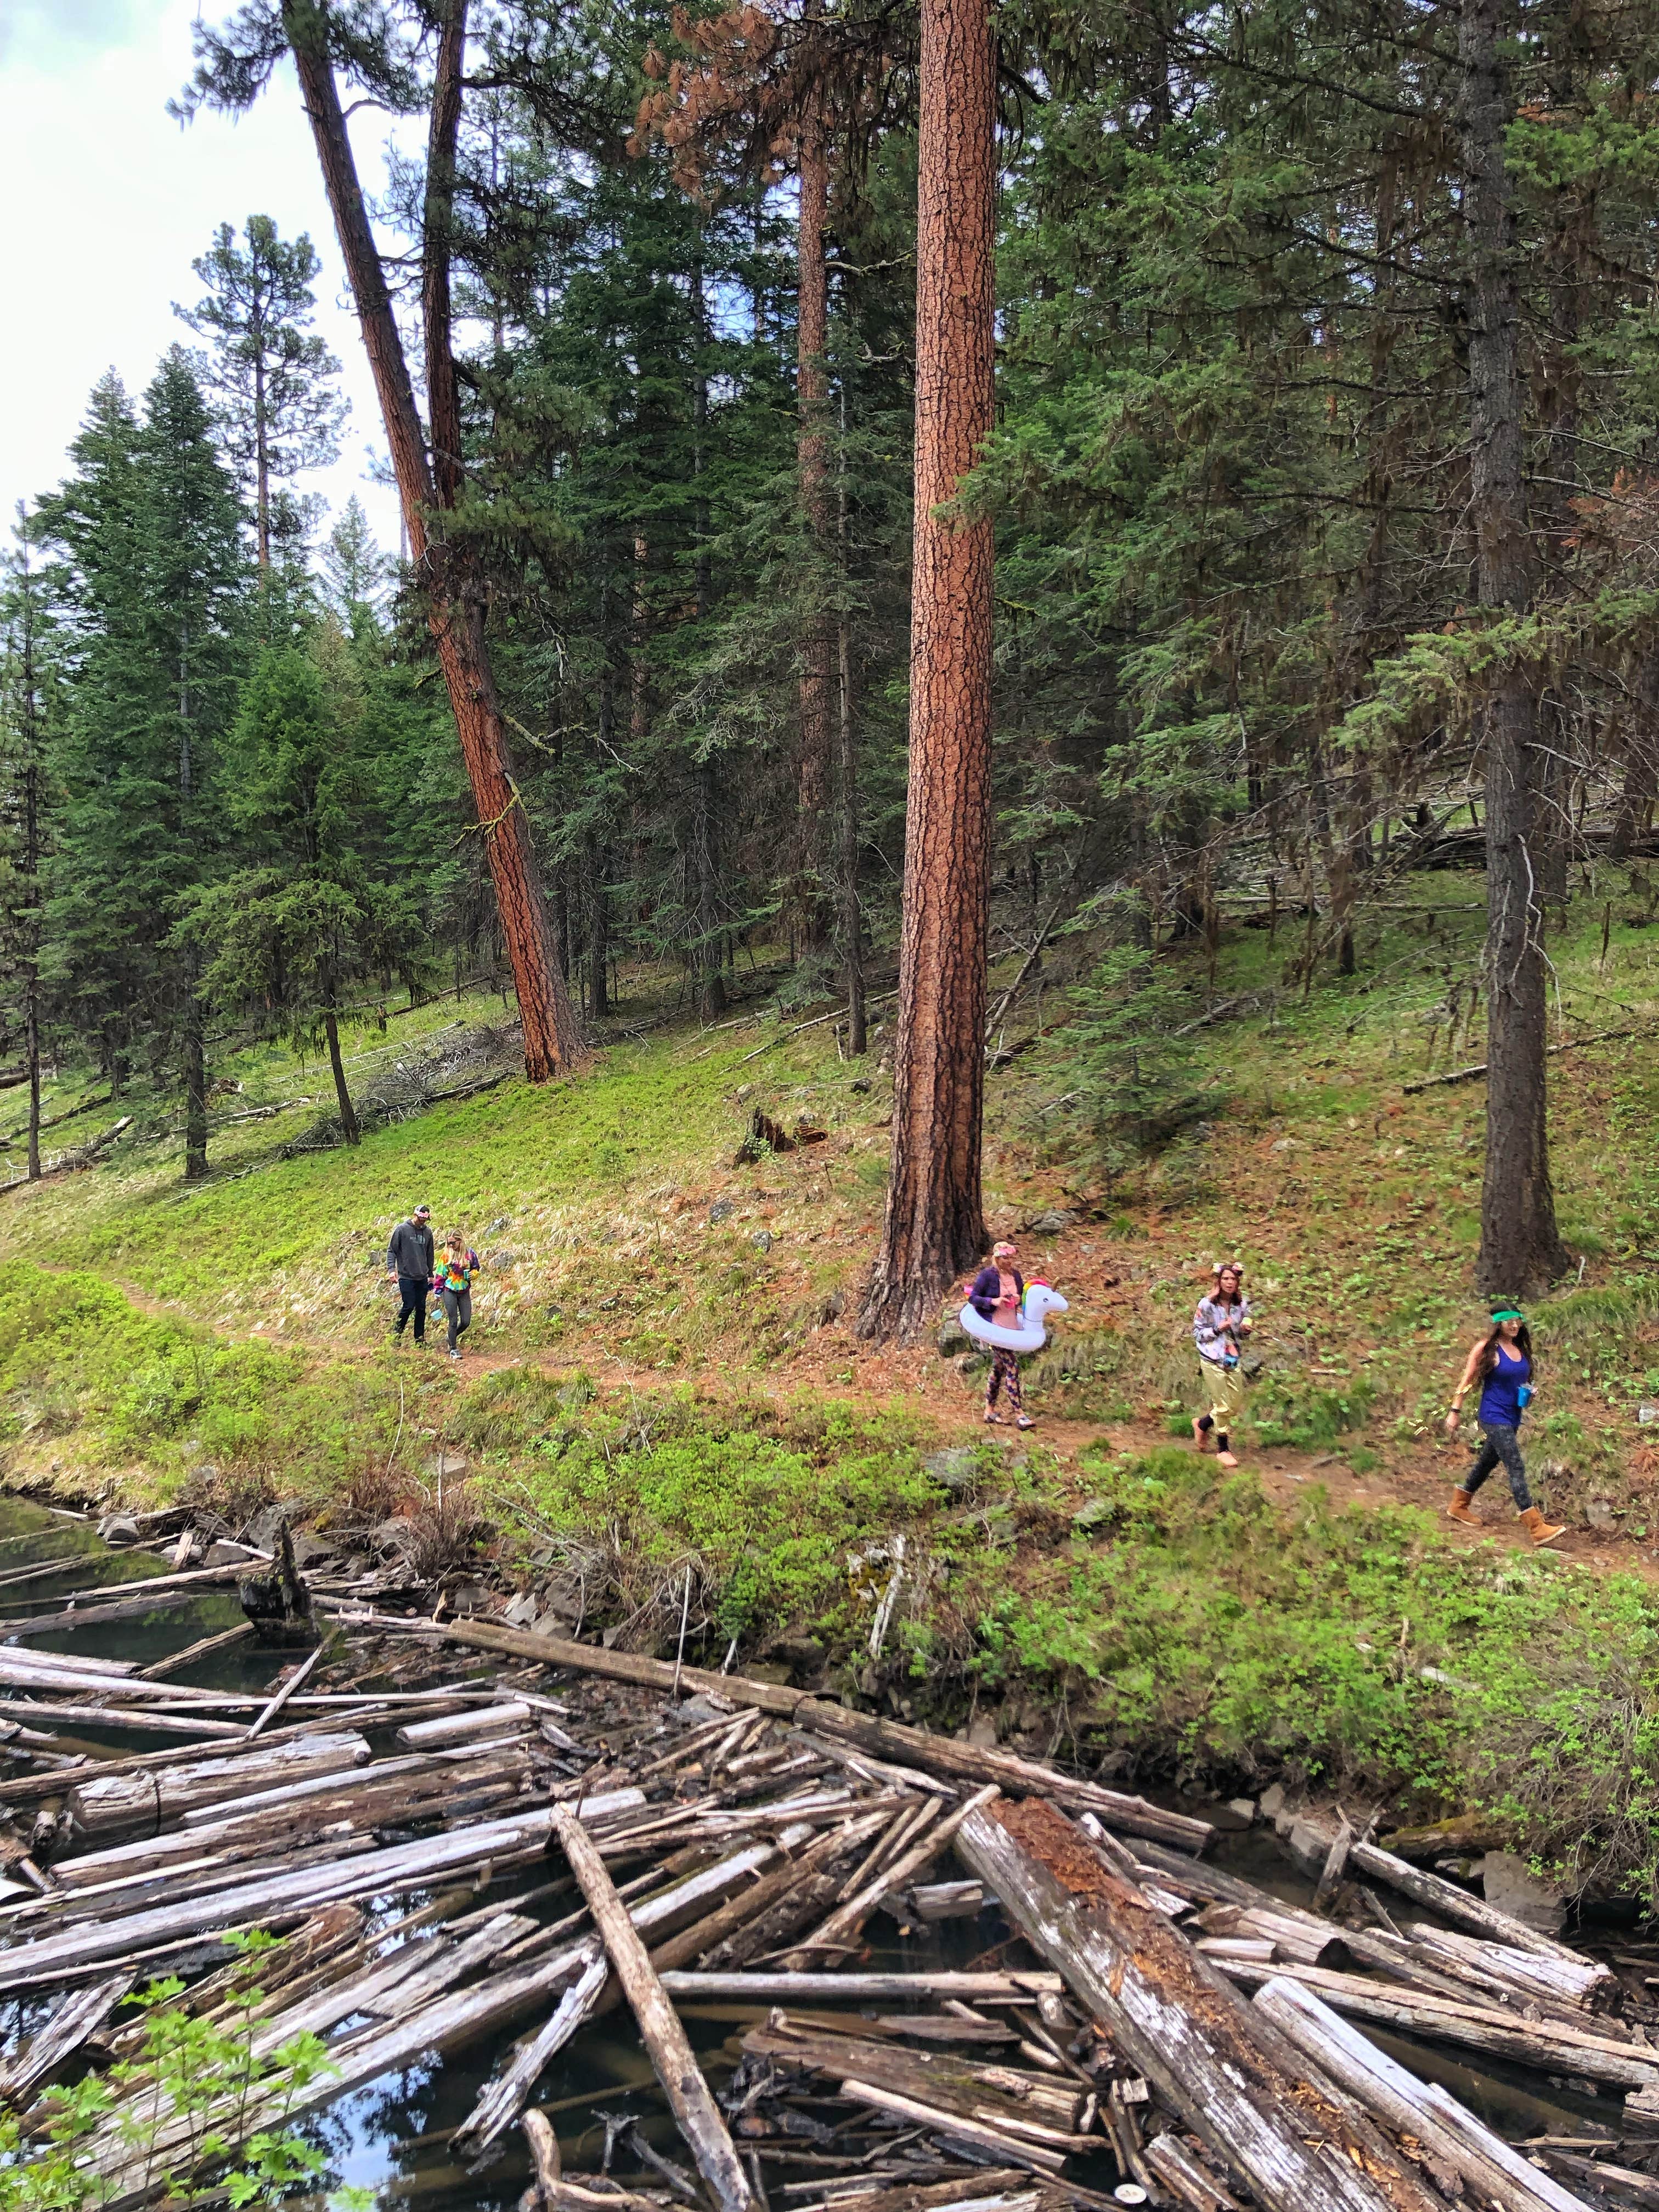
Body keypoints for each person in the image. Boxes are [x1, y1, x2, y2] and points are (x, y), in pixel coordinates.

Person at [1444, 1307, 1564, 1546]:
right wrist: (1455, 1410)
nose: (1514, 1325)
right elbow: (1467, 1380)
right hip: (1493, 1415)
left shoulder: (1519, 1350)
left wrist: (1529, 1394)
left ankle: (1459, 1505)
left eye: (1517, 1321)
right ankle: (1536, 1526)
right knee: (1515, 1465)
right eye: (1509, 1321)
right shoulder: (1487, 1349)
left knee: (1487, 1462)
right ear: (1498, 1324)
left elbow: (1519, 1382)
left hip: (1512, 1415)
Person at [969, 1240, 1036, 1429]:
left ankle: (989, 1410)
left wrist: (1018, 1300)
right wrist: (993, 1301)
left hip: (1011, 1327)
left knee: (998, 1369)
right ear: (997, 1258)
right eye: (1006, 1258)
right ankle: (1019, 1414)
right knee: (1012, 1366)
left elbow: (1022, 1295)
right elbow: (973, 1298)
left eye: (1012, 1258)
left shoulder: (1015, 1275)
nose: (1010, 1261)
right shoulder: (987, 1276)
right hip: (994, 1329)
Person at [1192, 1260, 1251, 1469]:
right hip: (1211, 1359)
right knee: (1223, 1405)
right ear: (1218, 1281)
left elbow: (1241, 1335)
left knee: (1234, 1405)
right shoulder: (1206, 1304)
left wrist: (1244, 1330)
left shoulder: (1241, 1305)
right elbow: (1197, 1333)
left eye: (1233, 1279)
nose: (1229, 1282)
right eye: (1225, 1278)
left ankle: (1202, 1424)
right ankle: (1223, 1449)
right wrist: (1217, 1329)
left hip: (1232, 1359)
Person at [386, 1205, 435, 1346]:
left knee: (421, 1308)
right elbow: (392, 1251)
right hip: (406, 1276)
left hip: (422, 1277)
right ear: (415, 1215)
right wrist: (391, 1270)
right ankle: (396, 1335)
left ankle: (419, 1339)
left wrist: (430, 1274)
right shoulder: (402, 1229)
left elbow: (429, 1254)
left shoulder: (428, 1233)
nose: (422, 1222)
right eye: (420, 1218)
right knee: (408, 1305)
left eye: (425, 1220)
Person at [435, 1234, 481, 1362]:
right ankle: (453, 1349)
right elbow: (440, 1274)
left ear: (460, 1241)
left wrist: (474, 1274)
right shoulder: (447, 1255)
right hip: (449, 1290)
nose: (450, 1246)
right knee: (453, 1320)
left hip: (464, 1290)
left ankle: (451, 1337)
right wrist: (438, 1291)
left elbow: (476, 1268)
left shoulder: (470, 1253)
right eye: (448, 1243)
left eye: (453, 1243)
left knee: (466, 1321)